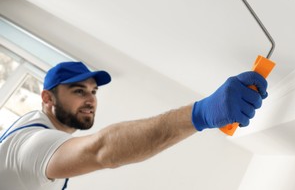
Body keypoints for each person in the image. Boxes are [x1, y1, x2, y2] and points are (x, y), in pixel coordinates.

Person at [0, 61, 268, 190]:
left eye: (94, 92)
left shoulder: (37, 134)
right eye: (79, 91)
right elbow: (101, 150)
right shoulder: (33, 145)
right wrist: (200, 114)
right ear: (47, 98)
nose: (90, 99)